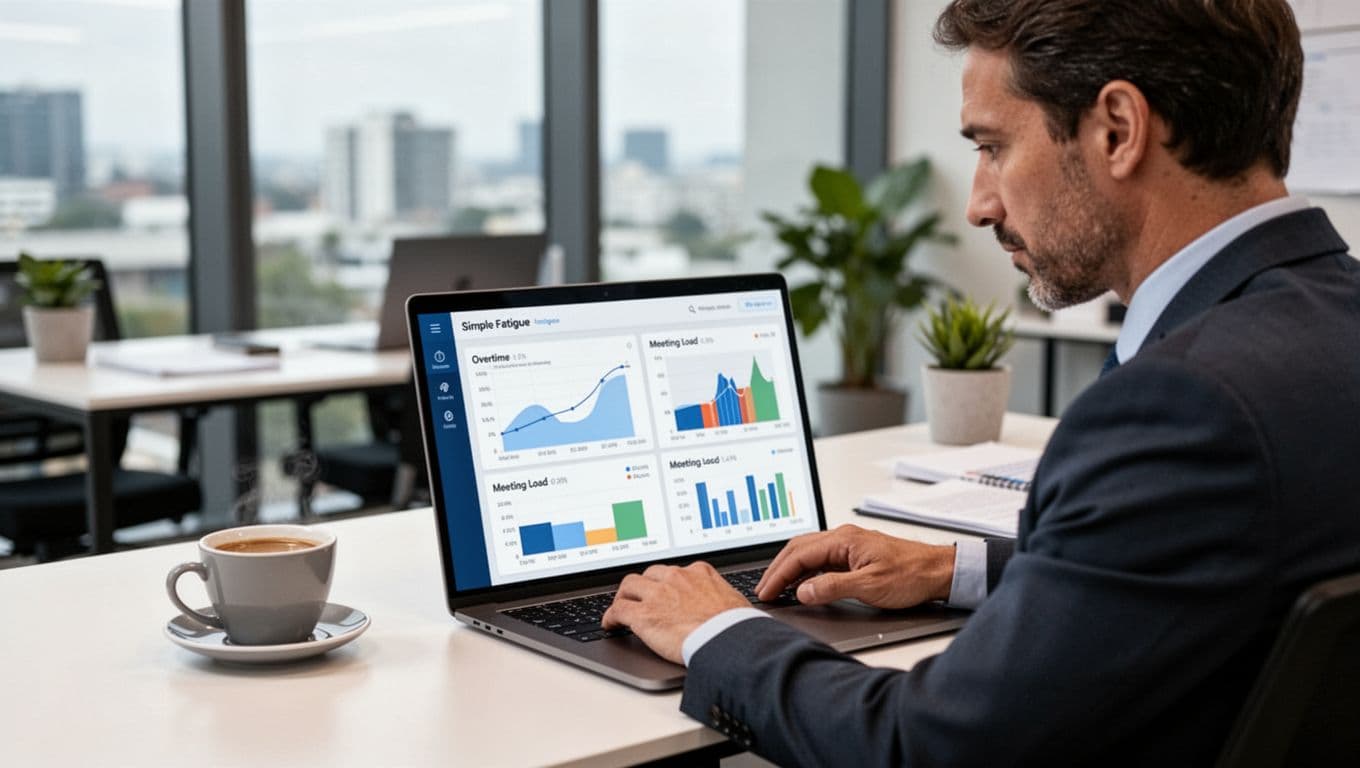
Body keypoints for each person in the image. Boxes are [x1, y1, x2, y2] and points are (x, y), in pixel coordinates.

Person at [601, 0, 1360, 764]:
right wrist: (949, 567)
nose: (978, 204)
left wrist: (716, 629)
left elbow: (923, 749)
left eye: (993, 147)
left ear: (1118, 130)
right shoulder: (1328, 326)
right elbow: (1186, 570)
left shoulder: (1184, 403)